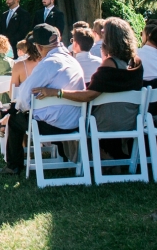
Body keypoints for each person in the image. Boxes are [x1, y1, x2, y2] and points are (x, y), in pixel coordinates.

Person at [33, 17, 144, 162]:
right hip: (130, 119)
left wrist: (57, 92)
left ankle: (91, 156)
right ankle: (110, 156)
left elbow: (89, 95)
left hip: (105, 122)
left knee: (69, 117)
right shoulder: (136, 62)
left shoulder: (110, 64)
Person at [0, 24, 85, 176]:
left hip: (53, 125)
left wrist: (19, 107)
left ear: (39, 47)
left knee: (14, 119)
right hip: (75, 121)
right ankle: (4, 115)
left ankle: (13, 166)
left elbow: (24, 95)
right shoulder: (73, 60)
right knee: (18, 110)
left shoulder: (48, 64)